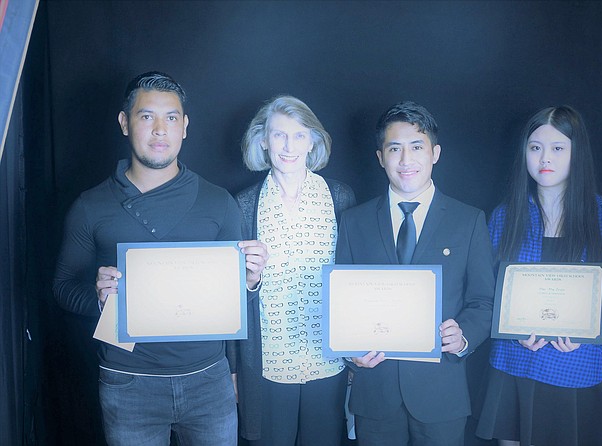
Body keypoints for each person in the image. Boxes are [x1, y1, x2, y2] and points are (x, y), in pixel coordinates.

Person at [52, 71, 268, 446]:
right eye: (146, 116)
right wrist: (98, 299)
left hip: (208, 380)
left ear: (184, 126)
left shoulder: (218, 202)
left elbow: (237, 300)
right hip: (127, 382)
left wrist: (250, 281)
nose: (159, 130)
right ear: (124, 123)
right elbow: (61, 287)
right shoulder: (90, 206)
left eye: (171, 118)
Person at [335, 101, 495, 446]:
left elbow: (484, 301)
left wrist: (464, 335)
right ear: (380, 157)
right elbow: (340, 302)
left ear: (435, 153)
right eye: (395, 149)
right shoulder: (354, 222)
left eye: (417, 147)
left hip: (442, 394)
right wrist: (350, 351)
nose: (406, 161)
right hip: (374, 392)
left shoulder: (468, 221)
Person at [475, 105, 602, 446]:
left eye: (558, 148)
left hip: (575, 366)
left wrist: (587, 332)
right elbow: (485, 293)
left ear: (577, 153)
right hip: (514, 362)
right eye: (535, 148)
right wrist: (511, 329)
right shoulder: (504, 218)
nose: (544, 157)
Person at [232, 95, 357, 445]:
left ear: (313, 141)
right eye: (278, 135)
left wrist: (357, 347)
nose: (289, 146)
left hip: (329, 364)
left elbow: (356, 281)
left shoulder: (340, 198)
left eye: (300, 135)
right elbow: (229, 296)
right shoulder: (243, 206)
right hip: (268, 367)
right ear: (262, 140)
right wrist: (233, 369)